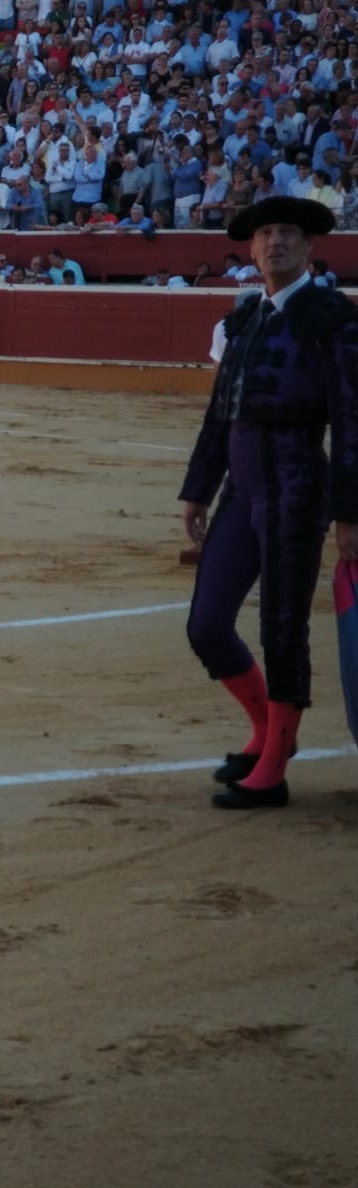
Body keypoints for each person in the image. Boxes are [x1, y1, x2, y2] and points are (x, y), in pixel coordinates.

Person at [179, 196, 357, 810]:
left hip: (297, 486)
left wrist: (348, 514)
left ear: (310, 247)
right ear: (251, 249)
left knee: (283, 626)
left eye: (287, 233)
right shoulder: (242, 319)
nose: (274, 242)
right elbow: (217, 416)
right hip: (241, 489)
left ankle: (275, 765)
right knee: (206, 624)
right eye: (264, 235)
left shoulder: (332, 317)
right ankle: (264, 733)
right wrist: (197, 489)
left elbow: (352, 420)